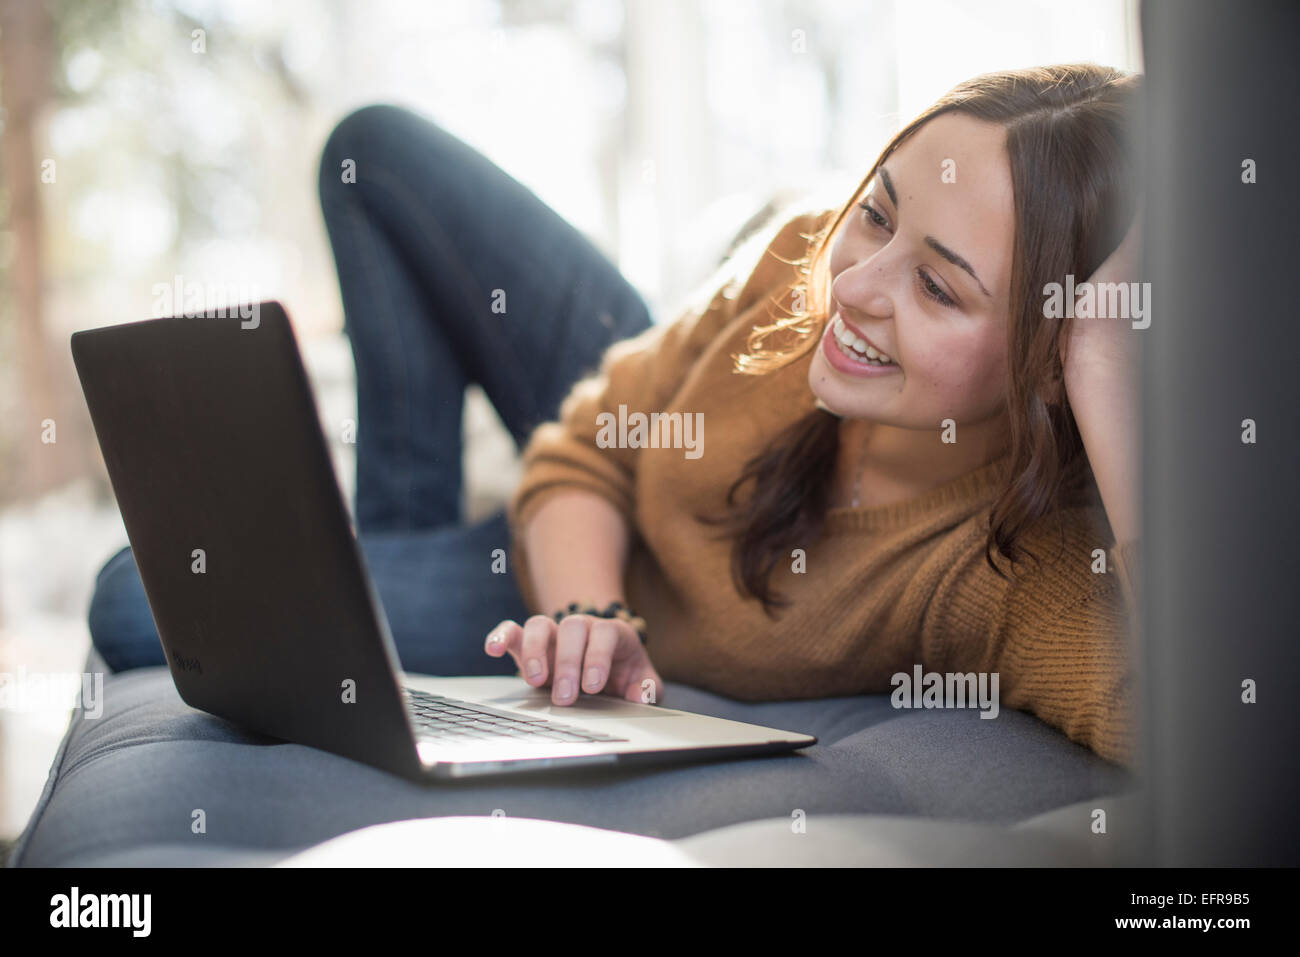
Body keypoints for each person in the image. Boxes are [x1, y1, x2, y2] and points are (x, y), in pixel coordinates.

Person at [88, 62, 1143, 766]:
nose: (857, 285)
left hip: (593, 585)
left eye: (941, 288)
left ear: (1048, 357)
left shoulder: (1013, 573)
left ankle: (375, 571)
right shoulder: (801, 268)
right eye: (875, 211)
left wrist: (1103, 357)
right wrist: (589, 619)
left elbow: (1222, 735)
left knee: (139, 598)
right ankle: (388, 536)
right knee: (375, 153)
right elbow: (587, 447)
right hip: (614, 508)